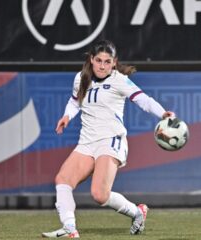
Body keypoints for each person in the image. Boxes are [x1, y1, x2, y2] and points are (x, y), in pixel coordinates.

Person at [42, 40, 175, 238]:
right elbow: (75, 101)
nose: (102, 66)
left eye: (107, 61)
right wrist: (67, 116)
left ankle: (137, 213)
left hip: (111, 140)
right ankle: (69, 229)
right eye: (98, 60)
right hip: (87, 141)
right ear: (91, 60)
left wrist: (163, 113)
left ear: (114, 62)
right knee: (63, 180)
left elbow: (143, 100)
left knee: (99, 194)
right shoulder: (80, 78)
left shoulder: (119, 80)